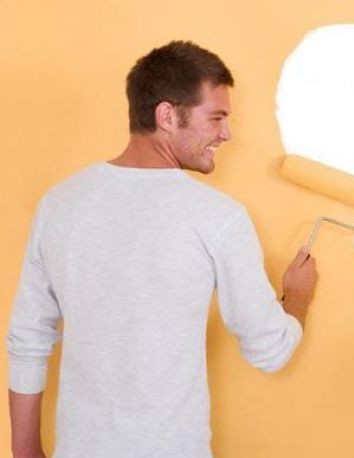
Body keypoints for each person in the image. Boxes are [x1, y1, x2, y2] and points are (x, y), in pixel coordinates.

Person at [7, 41, 317, 458]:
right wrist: (297, 299)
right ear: (167, 116)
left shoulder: (59, 204)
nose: (226, 134)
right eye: (217, 118)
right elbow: (270, 350)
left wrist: (25, 450)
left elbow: (29, 336)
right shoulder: (218, 217)